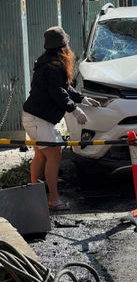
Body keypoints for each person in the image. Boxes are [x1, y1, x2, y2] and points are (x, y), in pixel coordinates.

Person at [22, 26, 100, 211]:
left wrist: (82, 98)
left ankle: (35, 193)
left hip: (33, 116)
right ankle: (53, 200)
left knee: (42, 155)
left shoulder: (49, 62)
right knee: (54, 155)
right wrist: (75, 110)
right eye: (67, 43)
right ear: (63, 46)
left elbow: (64, 88)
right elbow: (58, 92)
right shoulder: (54, 66)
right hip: (38, 119)